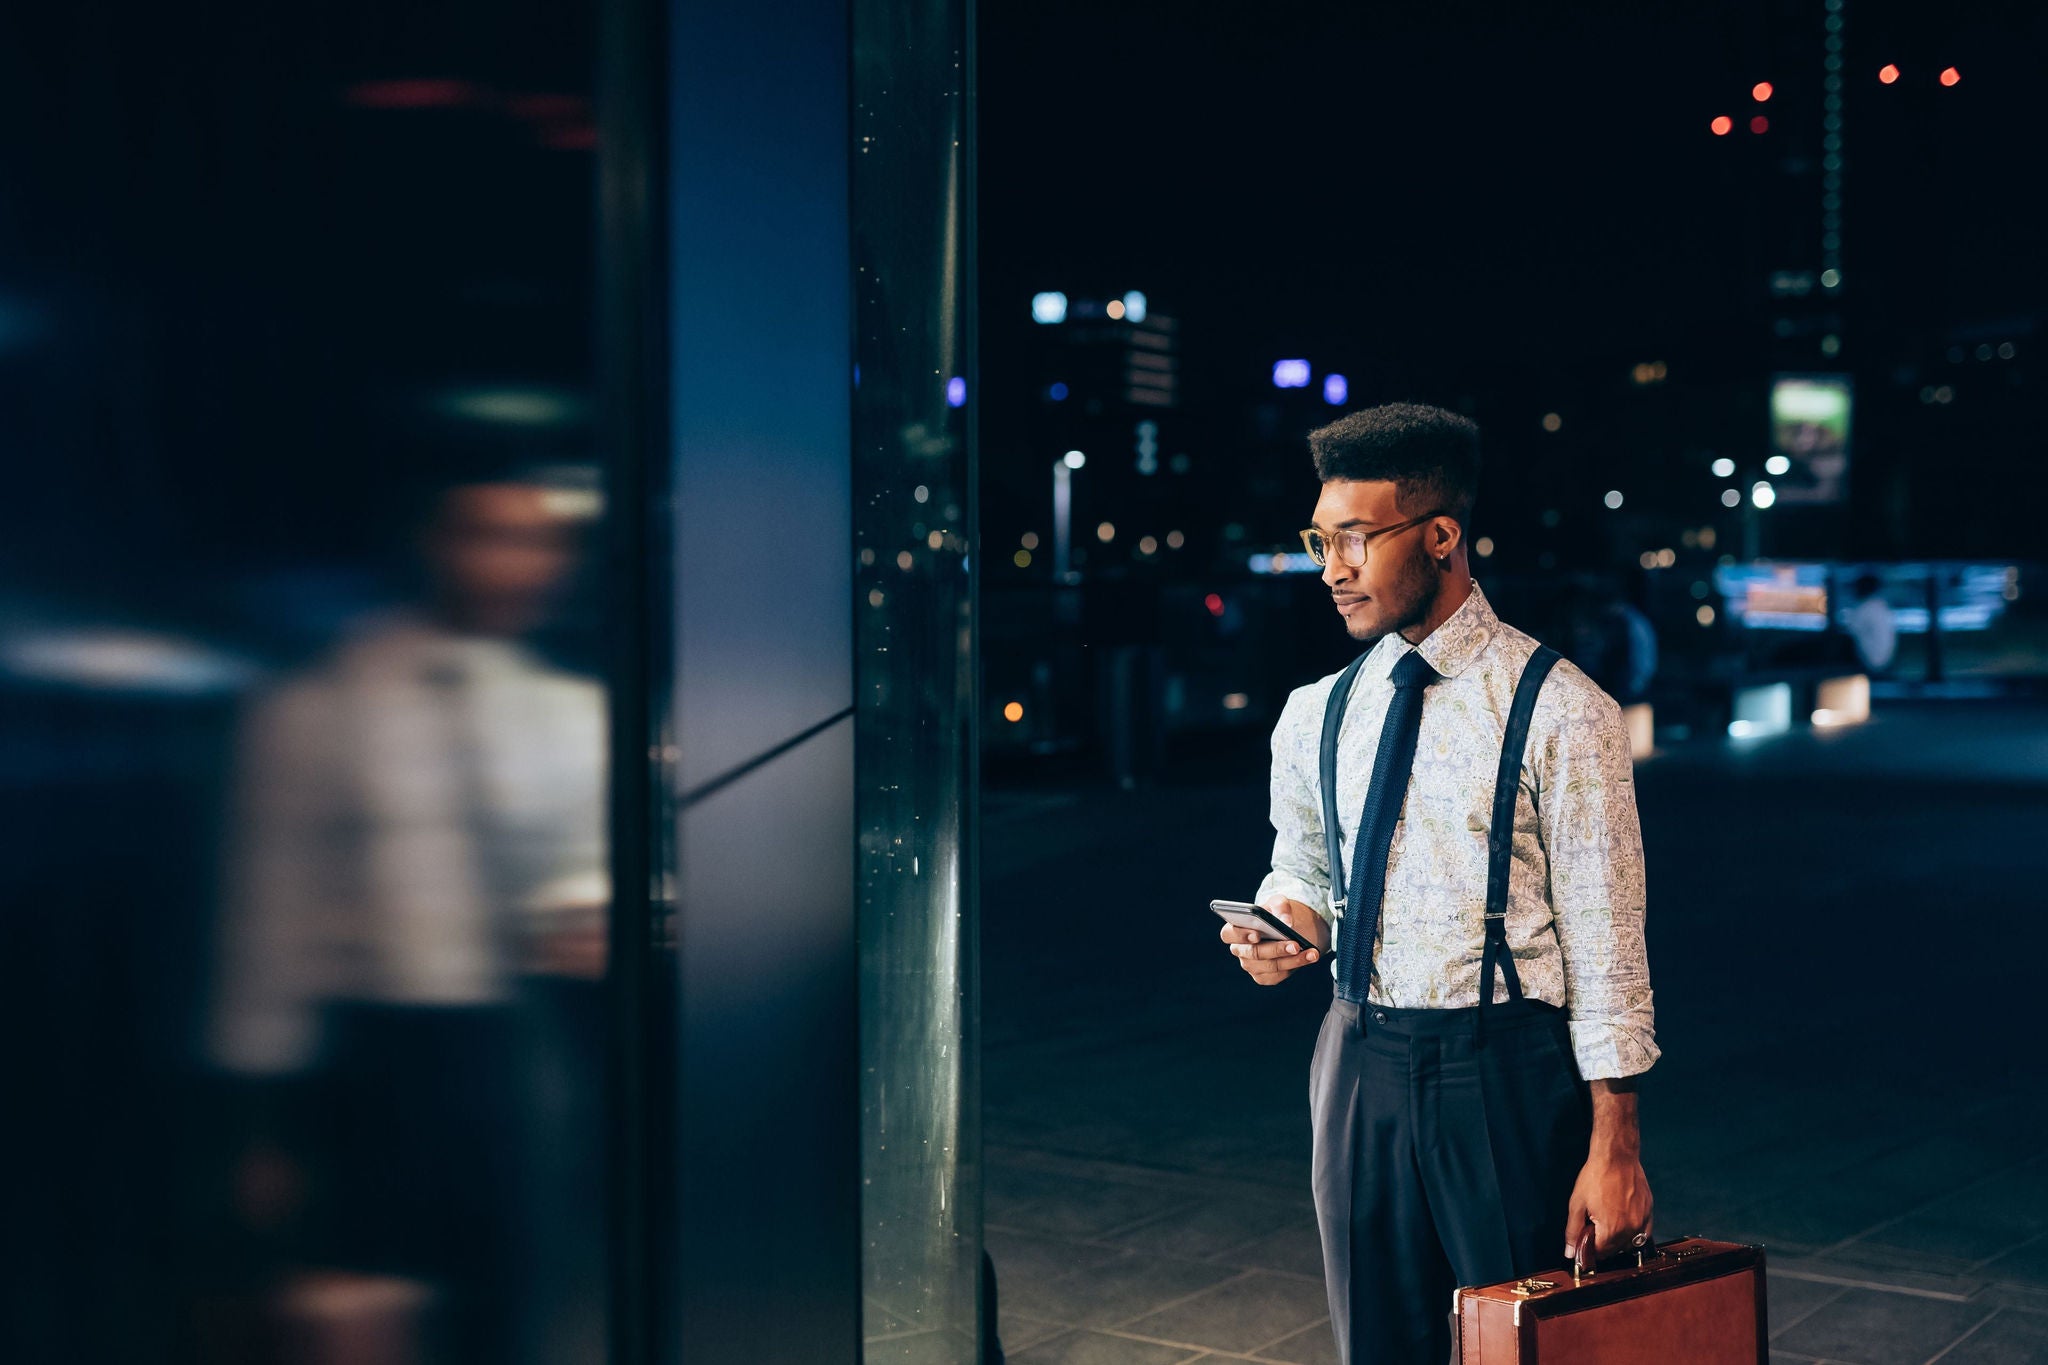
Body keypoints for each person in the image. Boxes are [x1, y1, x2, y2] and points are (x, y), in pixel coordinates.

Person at [1218, 404, 1658, 1365]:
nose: (1331, 566)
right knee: (1376, 1343)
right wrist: (1283, 923)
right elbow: (1306, 865)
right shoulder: (1315, 713)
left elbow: (1609, 944)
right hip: (1356, 1056)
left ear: (1442, 535)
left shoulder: (1563, 710)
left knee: (1524, 1344)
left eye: (1354, 539)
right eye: (1319, 539)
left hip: (1503, 1066)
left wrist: (1615, 1145)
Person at [211, 476, 608, 1364]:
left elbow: (591, 879)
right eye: (490, 534)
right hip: (366, 1056)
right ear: (431, 541)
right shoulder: (316, 711)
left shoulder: (575, 718)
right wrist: (262, 1124)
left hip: (511, 1050)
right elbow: (265, 925)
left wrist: (593, 917)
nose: (522, 565)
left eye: (543, 542)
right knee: (357, 1321)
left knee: (507, 1308)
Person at [1842, 571, 1897, 676]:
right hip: (1885, 663)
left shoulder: (1866, 607)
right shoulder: (1881, 606)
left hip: (1870, 663)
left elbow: (1850, 629)